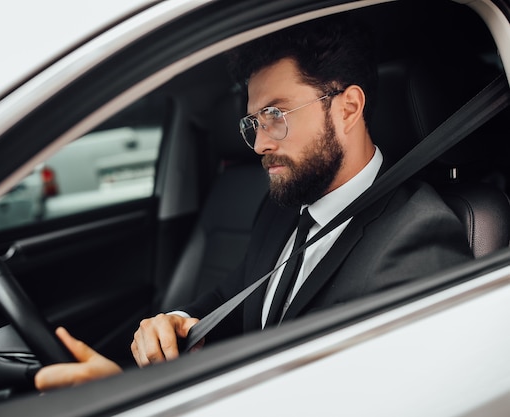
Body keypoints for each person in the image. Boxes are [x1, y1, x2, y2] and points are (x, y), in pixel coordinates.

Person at [35, 15, 474, 390]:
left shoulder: (416, 237)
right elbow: (237, 294)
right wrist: (180, 323)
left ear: (348, 108)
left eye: (276, 115)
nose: (260, 143)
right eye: (254, 121)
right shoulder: (282, 209)